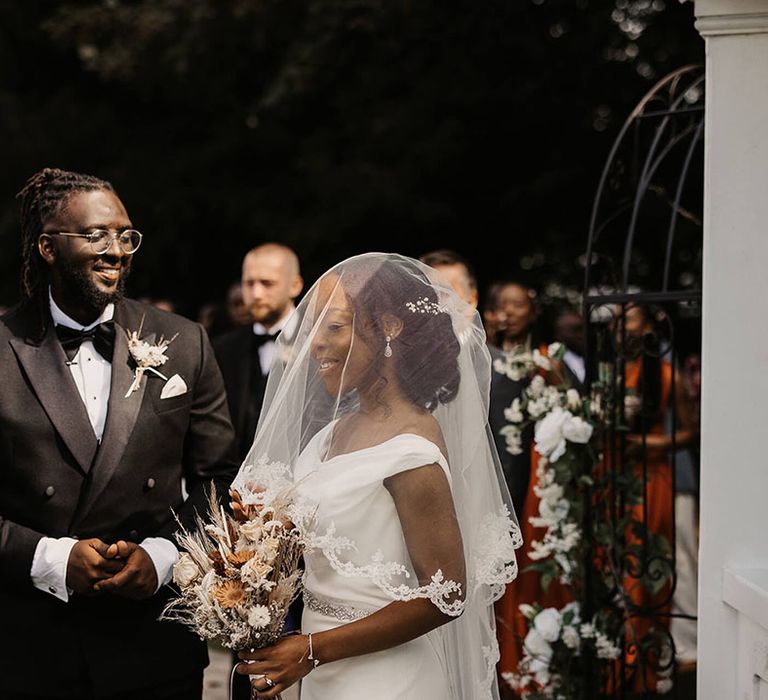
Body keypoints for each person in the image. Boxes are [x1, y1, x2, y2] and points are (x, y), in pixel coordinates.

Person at [230, 253, 522, 699]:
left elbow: (446, 596)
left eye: (334, 327)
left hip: (387, 679)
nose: (315, 345)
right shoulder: (331, 432)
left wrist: (312, 650)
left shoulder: (412, 450)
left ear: (389, 327)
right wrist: (263, 534)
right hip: (321, 674)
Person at [0, 167, 238, 699]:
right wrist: (51, 559)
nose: (117, 250)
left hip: (152, 642)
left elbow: (220, 478)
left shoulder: (183, 341)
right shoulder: (3, 347)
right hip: (30, 649)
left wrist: (162, 557)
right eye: (95, 235)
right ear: (46, 247)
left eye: (125, 236)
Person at [213, 243, 303, 461]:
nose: (256, 293)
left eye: (267, 283)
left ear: (295, 286)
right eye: (249, 283)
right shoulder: (222, 348)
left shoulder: (319, 342)